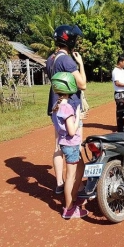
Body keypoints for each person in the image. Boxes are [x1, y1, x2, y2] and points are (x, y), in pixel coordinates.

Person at [46, 24, 87, 194]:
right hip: (70, 108)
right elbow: (82, 84)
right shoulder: (67, 60)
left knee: (58, 146)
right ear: (69, 41)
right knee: (74, 144)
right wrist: (81, 64)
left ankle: (59, 183)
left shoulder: (51, 59)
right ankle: (75, 184)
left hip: (55, 106)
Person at [50, 72, 88, 219]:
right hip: (71, 145)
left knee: (79, 169)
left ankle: (72, 199)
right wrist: (78, 116)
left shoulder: (57, 105)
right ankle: (69, 208)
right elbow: (72, 131)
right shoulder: (67, 108)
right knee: (70, 177)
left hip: (65, 144)